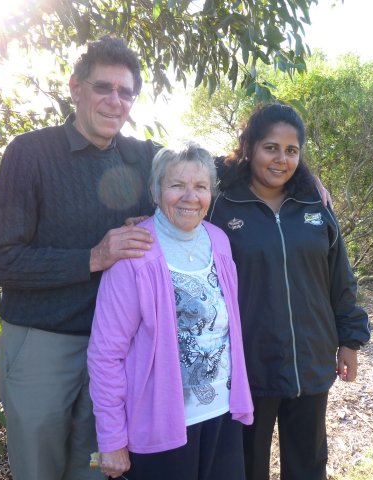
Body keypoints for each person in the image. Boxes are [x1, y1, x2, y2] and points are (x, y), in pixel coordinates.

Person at [0, 36, 158, 480]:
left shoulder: (143, 157)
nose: (115, 102)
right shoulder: (30, 153)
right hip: (43, 343)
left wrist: (304, 182)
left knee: (97, 469)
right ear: (75, 87)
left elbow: (218, 172)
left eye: (126, 92)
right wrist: (94, 257)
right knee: (38, 469)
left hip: (115, 352)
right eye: (103, 88)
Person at [208, 103, 371, 480]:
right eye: (270, 147)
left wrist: (350, 340)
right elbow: (183, 166)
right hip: (249, 364)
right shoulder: (220, 204)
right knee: (247, 467)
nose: (281, 159)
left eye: (291, 150)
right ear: (249, 147)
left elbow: (340, 278)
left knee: (308, 464)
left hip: (310, 360)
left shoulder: (315, 205)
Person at [88, 142, 254, 480]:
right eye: (177, 185)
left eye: (201, 187)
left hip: (222, 414)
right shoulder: (135, 251)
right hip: (160, 428)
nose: (190, 197)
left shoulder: (219, 240)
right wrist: (112, 439)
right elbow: (106, 355)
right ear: (155, 190)